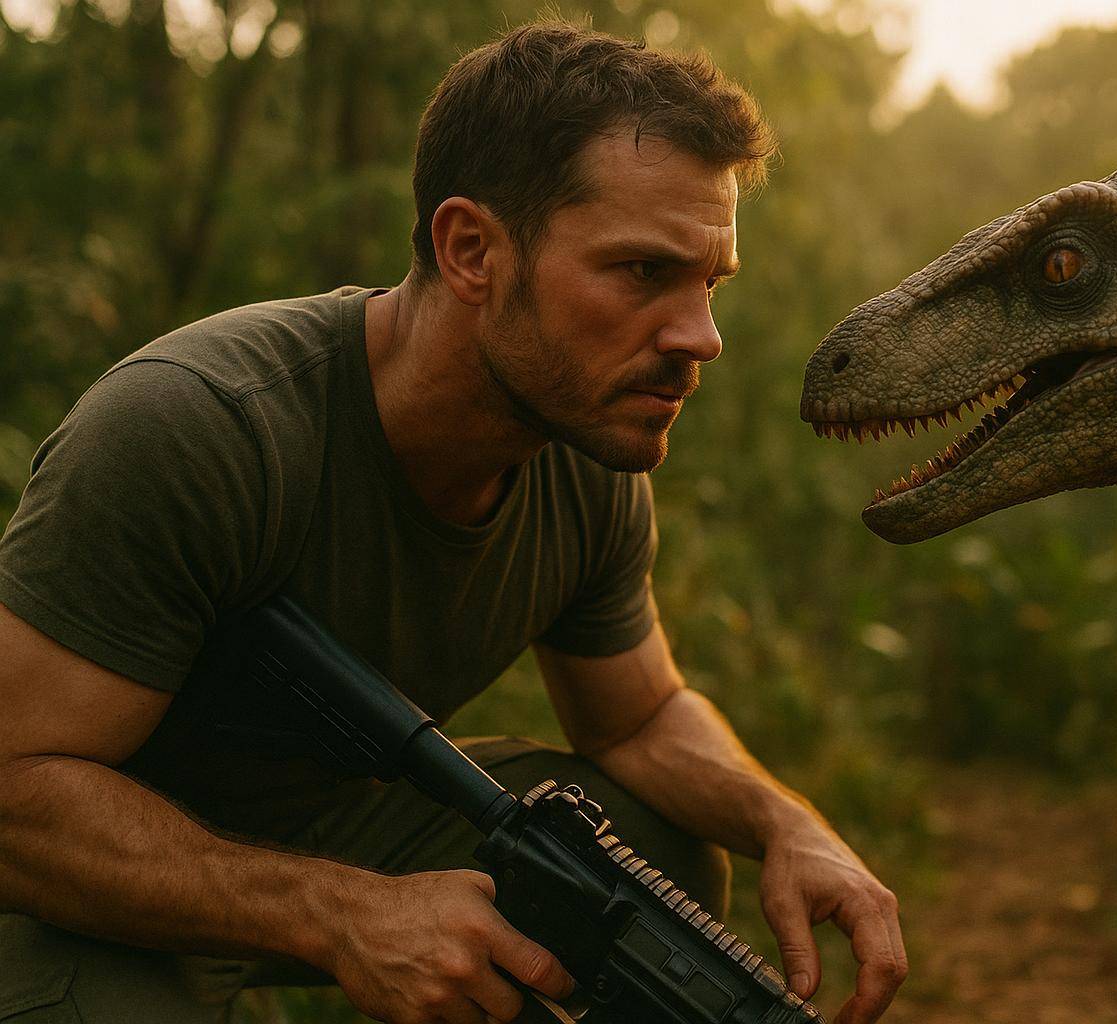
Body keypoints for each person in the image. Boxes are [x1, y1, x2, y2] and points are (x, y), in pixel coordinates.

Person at [0, 21, 907, 1024]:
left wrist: (789, 823)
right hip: (72, 876)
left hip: (330, 827)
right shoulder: (204, 426)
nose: (702, 336)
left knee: (657, 854)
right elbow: (11, 791)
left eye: (709, 282)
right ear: (470, 249)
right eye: (644, 273)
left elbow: (637, 717)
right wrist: (341, 915)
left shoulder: (582, 444)